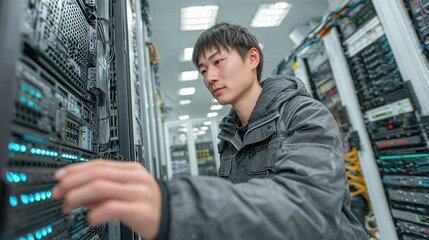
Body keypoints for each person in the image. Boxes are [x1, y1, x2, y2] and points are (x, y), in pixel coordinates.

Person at [52, 22, 368, 240]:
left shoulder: (305, 114)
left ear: (252, 58)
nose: (210, 77)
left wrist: (174, 206)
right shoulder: (230, 135)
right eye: (203, 70)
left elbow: (308, 210)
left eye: (218, 62)